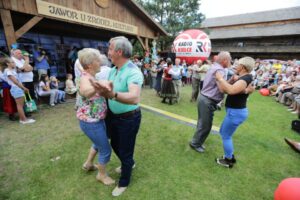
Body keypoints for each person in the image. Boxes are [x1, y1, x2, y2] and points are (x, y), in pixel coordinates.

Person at [90, 36, 143, 197]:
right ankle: (129, 164)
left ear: (119, 52)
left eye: (110, 49)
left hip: (129, 118)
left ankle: (124, 181)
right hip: (113, 116)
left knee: (126, 151)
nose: (108, 52)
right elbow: (107, 88)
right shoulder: (113, 70)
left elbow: (134, 97)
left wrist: (112, 94)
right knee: (115, 145)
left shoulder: (133, 71)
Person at [77, 48, 115, 186]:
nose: (101, 62)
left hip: (96, 120)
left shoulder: (92, 76)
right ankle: (102, 175)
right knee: (105, 149)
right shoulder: (85, 78)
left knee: (98, 143)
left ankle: (88, 164)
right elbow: (85, 92)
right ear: (89, 65)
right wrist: (98, 88)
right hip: (91, 122)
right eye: (98, 60)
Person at [215, 57, 255, 167]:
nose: (235, 66)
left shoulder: (244, 79)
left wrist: (221, 79)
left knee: (226, 136)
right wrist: (229, 81)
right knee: (223, 132)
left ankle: (228, 160)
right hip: (235, 112)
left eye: (237, 64)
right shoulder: (244, 78)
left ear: (242, 67)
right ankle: (229, 156)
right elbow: (224, 89)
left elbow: (231, 90)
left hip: (236, 113)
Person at [189, 51, 232, 153]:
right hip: (207, 100)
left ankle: (197, 142)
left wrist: (229, 82)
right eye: (230, 60)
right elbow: (222, 89)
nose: (231, 62)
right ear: (225, 60)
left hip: (205, 99)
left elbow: (220, 85)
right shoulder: (220, 70)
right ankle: (195, 143)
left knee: (203, 124)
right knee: (205, 125)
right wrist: (233, 87)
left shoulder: (214, 67)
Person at [2, 57, 35, 124]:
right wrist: (24, 88)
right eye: (12, 62)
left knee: (20, 105)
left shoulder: (12, 70)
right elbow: (15, 82)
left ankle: (22, 118)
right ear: (7, 64)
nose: (14, 63)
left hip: (18, 88)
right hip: (16, 88)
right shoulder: (8, 71)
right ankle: (23, 120)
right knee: (20, 105)